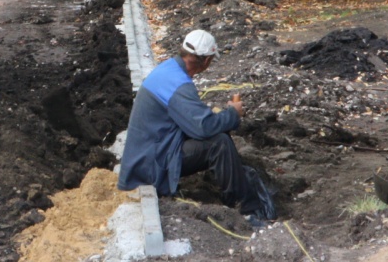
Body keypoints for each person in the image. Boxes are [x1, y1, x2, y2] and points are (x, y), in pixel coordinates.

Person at [117, 29, 275, 227]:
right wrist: (233, 113)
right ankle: (247, 210)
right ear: (206, 61)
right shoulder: (179, 85)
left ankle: (231, 186)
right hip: (151, 167)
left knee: (218, 134)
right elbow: (204, 127)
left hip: (148, 154)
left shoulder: (168, 70)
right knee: (220, 143)